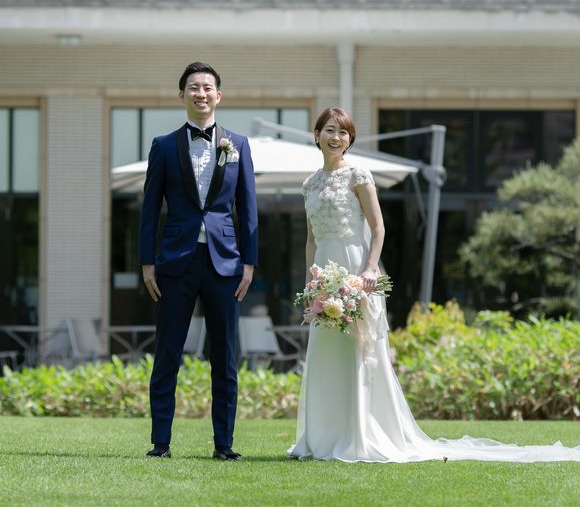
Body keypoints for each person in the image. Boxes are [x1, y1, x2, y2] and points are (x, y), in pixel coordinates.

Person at [288, 106, 580, 463]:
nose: (336, 137)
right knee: (326, 351)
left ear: (350, 139)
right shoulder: (309, 184)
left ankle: (358, 435)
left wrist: (369, 270)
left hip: (355, 270)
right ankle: (323, 438)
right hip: (324, 273)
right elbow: (311, 239)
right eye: (330, 130)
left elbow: (378, 227)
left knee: (358, 350)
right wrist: (310, 284)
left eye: (343, 132)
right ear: (317, 134)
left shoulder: (358, 175)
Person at [140, 62, 258, 460]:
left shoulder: (238, 145)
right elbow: (149, 209)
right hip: (175, 262)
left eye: (208, 87)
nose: (201, 93)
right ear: (182, 95)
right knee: (168, 353)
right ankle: (160, 443)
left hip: (226, 264)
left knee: (224, 358)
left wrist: (249, 263)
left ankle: (224, 445)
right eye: (194, 87)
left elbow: (248, 208)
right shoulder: (162, 146)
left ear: (218, 96)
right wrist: (147, 262)